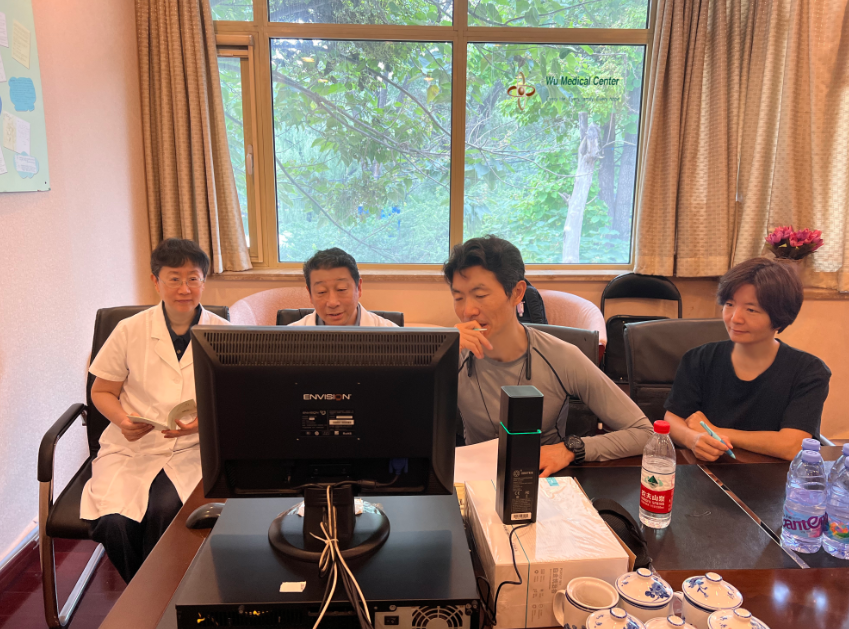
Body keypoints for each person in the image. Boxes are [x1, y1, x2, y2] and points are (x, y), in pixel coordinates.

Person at [82, 239, 229, 583]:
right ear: (155, 281)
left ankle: (161, 592)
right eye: (174, 279)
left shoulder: (222, 333)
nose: (184, 289)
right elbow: (101, 391)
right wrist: (122, 420)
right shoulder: (129, 330)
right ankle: (146, 593)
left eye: (193, 279)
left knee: (167, 512)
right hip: (132, 446)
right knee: (114, 521)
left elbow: (236, 401)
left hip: (193, 449)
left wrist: (202, 423)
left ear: (204, 281)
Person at [444, 235, 653, 476]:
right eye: (458, 298)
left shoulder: (560, 356)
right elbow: (411, 430)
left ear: (517, 293)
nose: (467, 310)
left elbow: (644, 433)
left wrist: (571, 449)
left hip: (542, 482)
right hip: (473, 482)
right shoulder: (451, 354)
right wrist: (440, 356)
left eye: (480, 295)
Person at [664, 257, 830, 462]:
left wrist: (715, 430)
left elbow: (792, 445)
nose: (735, 318)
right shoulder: (699, 358)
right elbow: (673, 418)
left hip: (772, 477)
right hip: (707, 470)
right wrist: (692, 439)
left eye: (751, 310)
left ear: (780, 318)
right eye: (730, 304)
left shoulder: (809, 371)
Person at [290, 247, 398, 327]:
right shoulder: (289, 338)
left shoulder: (393, 336)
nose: (332, 303)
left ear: (359, 288)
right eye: (321, 292)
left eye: (341, 289)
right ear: (310, 294)